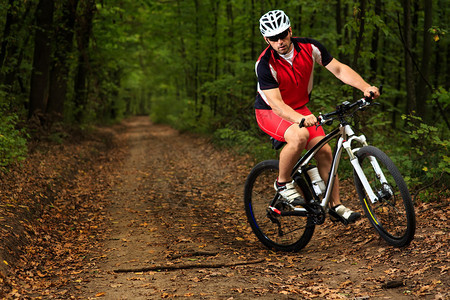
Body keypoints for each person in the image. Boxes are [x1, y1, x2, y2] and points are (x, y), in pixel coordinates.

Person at [255, 10, 380, 223]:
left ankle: (335, 205)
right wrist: (299, 120)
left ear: (290, 30)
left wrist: (365, 87)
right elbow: (276, 104)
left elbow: (339, 69)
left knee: (325, 150)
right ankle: (283, 182)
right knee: (298, 137)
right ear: (266, 39)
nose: (280, 41)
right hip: (270, 111)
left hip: (300, 107)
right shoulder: (265, 63)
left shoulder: (310, 47)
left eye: (283, 34)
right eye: (273, 38)